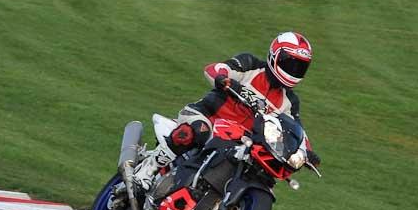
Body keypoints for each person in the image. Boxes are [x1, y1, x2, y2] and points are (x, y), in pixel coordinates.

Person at [134, 32, 320, 190]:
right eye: (290, 64)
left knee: (255, 170)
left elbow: (297, 130)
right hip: (208, 117)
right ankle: (147, 170)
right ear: (274, 56)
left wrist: (307, 153)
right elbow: (215, 68)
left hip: (240, 140)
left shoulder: (290, 101)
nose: (294, 70)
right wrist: (223, 79)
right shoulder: (250, 65)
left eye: (300, 67)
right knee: (196, 132)